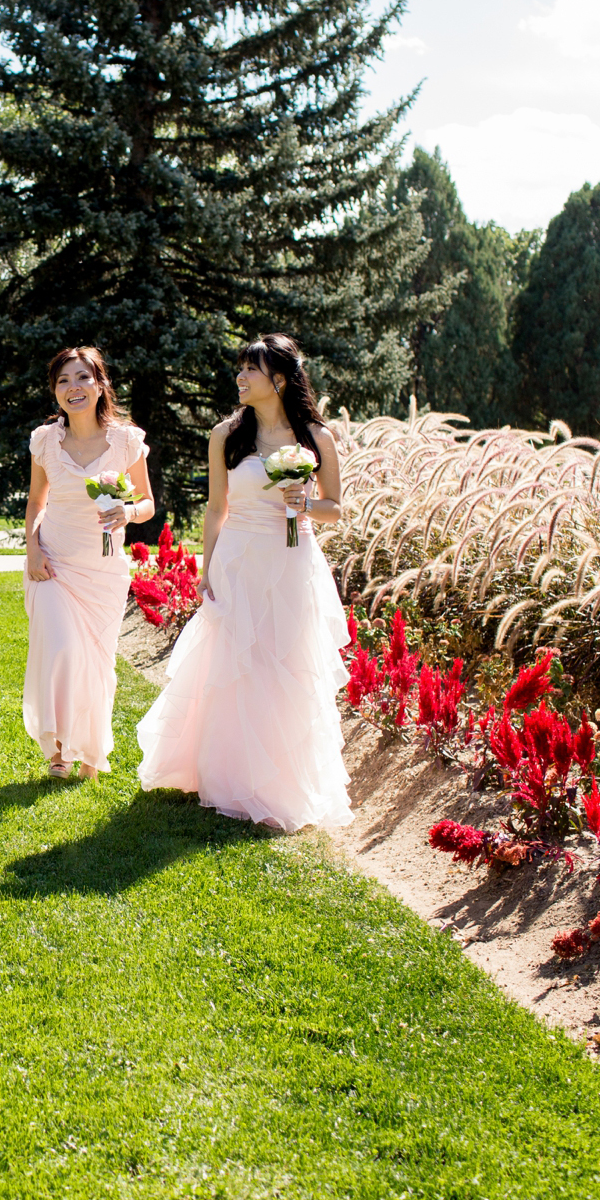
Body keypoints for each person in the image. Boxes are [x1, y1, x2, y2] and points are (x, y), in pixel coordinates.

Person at [136, 333, 352, 831]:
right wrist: (207, 569)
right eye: (239, 368)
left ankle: (280, 784)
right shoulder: (225, 436)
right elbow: (217, 508)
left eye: (250, 370)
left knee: (285, 663)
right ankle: (227, 775)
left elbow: (335, 509)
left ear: (278, 379)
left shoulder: (316, 439)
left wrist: (303, 503)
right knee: (235, 664)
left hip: (292, 562)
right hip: (237, 559)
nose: (240, 377)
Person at [23, 346, 154, 779]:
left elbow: (148, 502)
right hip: (54, 563)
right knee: (61, 652)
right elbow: (36, 501)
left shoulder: (125, 440)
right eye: (63, 380)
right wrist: (32, 549)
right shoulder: (44, 441)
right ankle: (60, 751)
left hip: (103, 571)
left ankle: (91, 753)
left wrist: (128, 512)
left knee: (95, 662)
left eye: (82, 378)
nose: (72, 388)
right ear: (54, 391)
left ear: (100, 385)